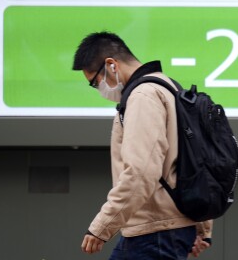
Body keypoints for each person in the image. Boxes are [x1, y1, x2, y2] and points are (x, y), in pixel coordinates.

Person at [72, 32, 212, 259]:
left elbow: (141, 172)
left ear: (111, 65)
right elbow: (196, 162)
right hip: (166, 230)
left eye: (95, 82)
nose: (98, 89)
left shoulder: (142, 96)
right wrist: (201, 228)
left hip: (153, 234)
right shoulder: (169, 87)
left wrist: (101, 227)